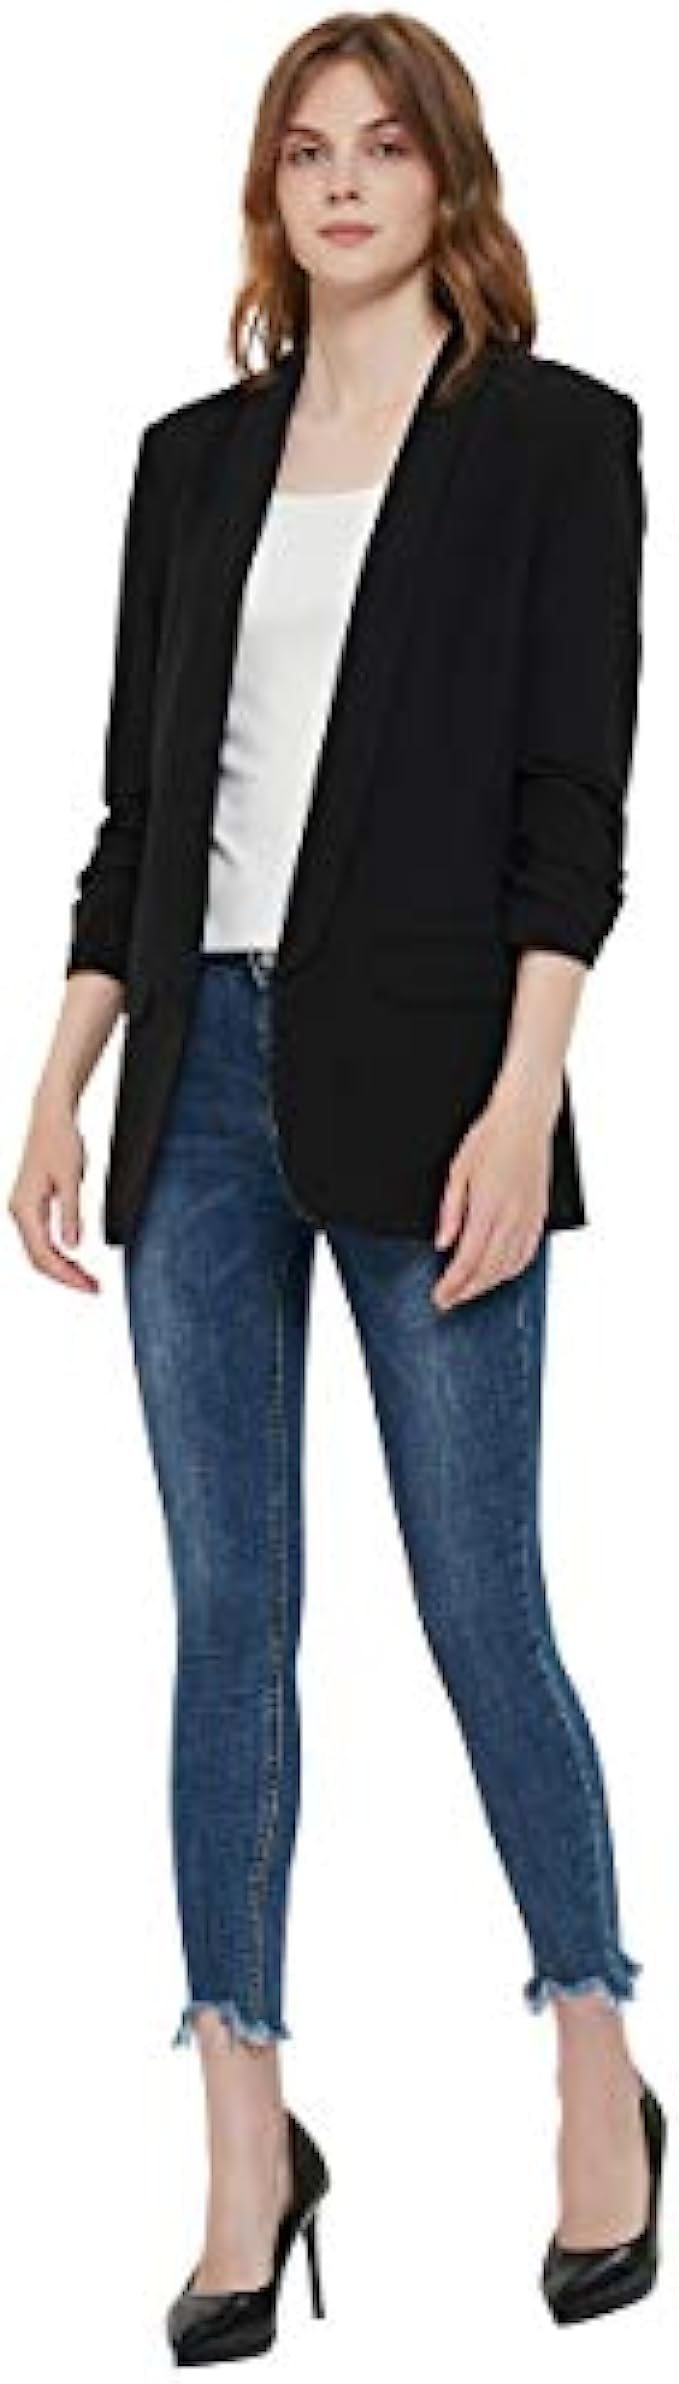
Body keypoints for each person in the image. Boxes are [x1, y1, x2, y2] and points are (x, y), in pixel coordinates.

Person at [9, 13, 665, 2351]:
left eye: (385, 147)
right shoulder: (191, 464)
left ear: (446, 180)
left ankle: (592, 2055)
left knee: (482, 1598)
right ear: (268, 193)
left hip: (438, 1082)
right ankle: (243, 2128)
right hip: (197, 1082)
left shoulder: (557, 442)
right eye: (306, 152)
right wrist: (65, 1077)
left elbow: (571, 812)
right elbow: (138, 812)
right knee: (230, 1620)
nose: (345, 183)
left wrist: (523, 1096)